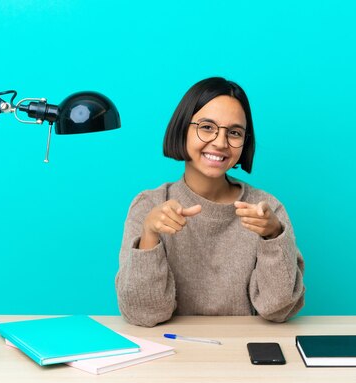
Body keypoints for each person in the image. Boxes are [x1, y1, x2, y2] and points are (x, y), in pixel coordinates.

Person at [115, 77, 305, 327]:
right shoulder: (149, 205)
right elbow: (142, 314)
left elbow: (278, 309)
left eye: (234, 133)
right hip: (172, 353)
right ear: (182, 128)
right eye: (206, 127)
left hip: (245, 352)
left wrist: (273, 236)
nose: (220, 142)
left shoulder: (267, 209)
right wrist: (149, 235)